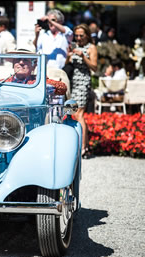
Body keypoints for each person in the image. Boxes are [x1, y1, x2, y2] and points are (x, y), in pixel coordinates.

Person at [65, 24, 97, 159]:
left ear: (87, 35)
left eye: (81, 35)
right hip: (73, 81)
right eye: (76, 35)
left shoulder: (91, 48)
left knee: (79, 114)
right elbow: (67, 63)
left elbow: (94, 67)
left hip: (83, 82)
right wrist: (69, 55)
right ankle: (85, 145)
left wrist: (83, 56)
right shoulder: (74, 45)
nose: (78, 38)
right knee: (71, 112)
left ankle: (83, 148)